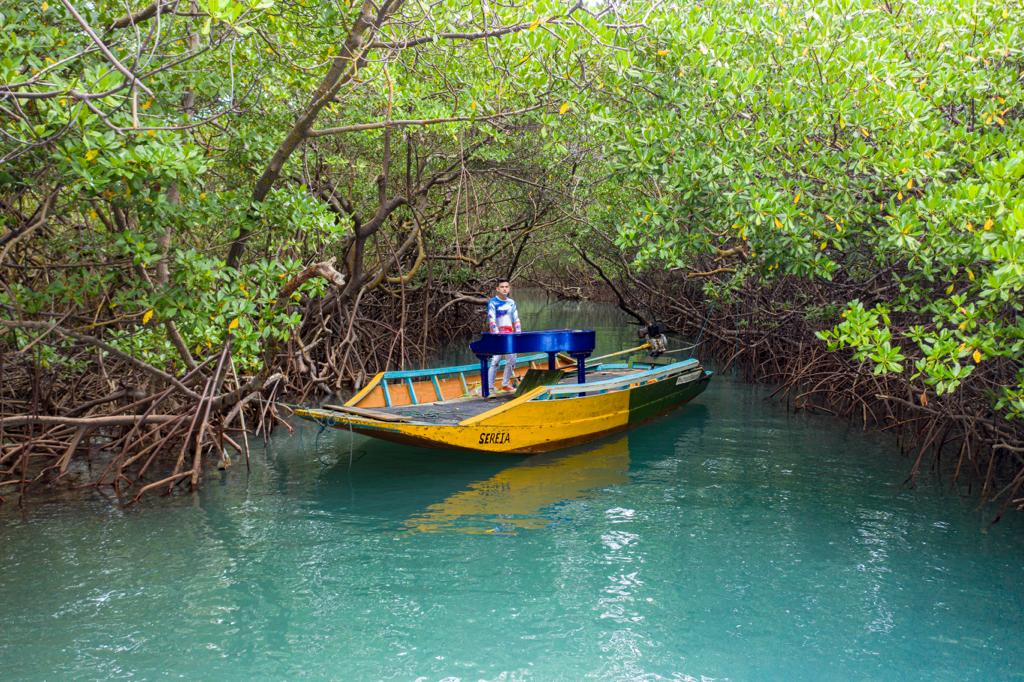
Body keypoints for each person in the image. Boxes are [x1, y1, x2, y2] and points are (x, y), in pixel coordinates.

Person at [487, 279, 521, 392]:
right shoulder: (493, 302)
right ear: (497, 289)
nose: (505, 289)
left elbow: (516, 319)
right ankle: (490, 387)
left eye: (507, 286)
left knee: (512, 360)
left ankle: (505, 384)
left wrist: (518, 334)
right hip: (497, 336)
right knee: (495, 361)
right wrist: (497, 334)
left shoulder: (511, 302)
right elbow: (492, 320)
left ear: (509, 288)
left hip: (510, 335)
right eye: (502, 287)